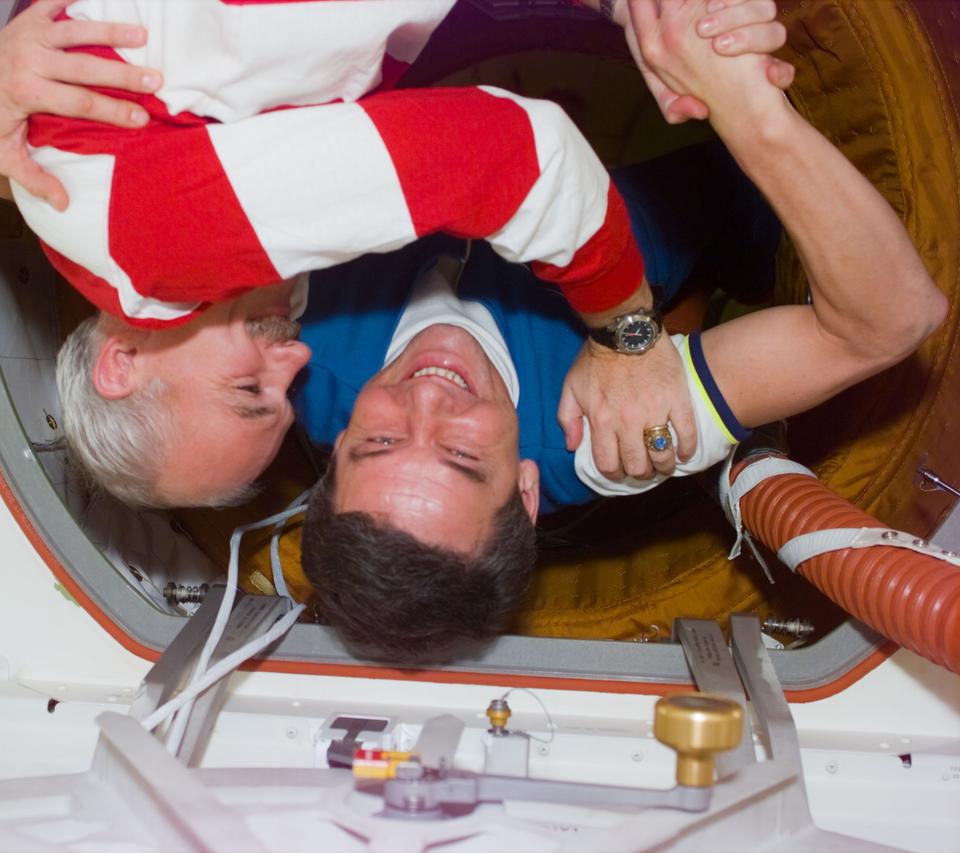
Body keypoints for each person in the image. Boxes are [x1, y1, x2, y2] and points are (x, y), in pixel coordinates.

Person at [0, 0, 794, 508]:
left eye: (248, 390)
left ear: (122, 358)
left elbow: (513, 158)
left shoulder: (155, 247)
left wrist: (627, 333)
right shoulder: (82, 212)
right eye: (285, 398)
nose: (296, 360)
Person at [297, 0, 948, 662]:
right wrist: (752, 113)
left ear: (340, 438)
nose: (428, 402)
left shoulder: (287, 348)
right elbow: (892, 320)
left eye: (378, 440)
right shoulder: (594, 441)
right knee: (731, 222)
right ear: (527, 490)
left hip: (445, 90)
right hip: (693, 185)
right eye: (462, 455)